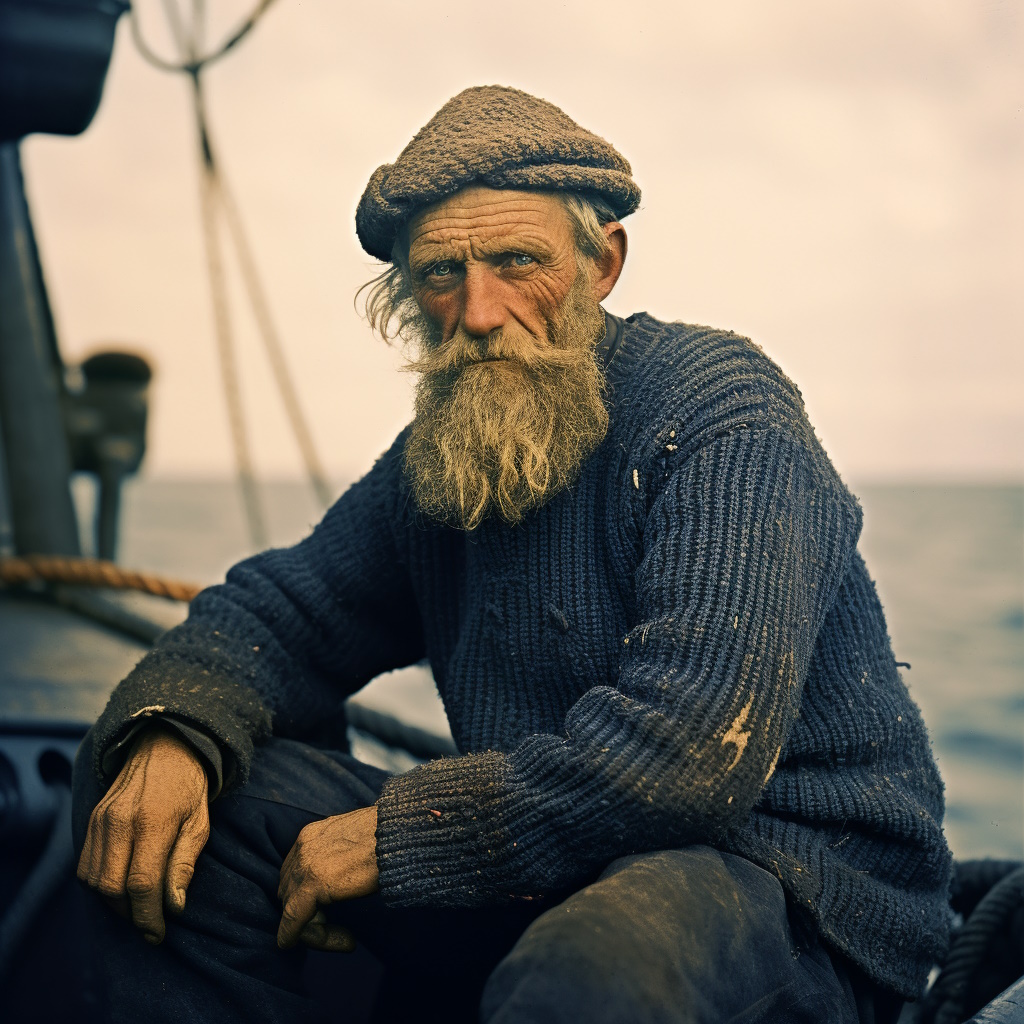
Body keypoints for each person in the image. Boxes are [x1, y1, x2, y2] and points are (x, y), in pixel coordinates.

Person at [73, 85, 951, 1024]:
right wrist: (172, 732)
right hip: (547, 863)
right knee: (161, 810)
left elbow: (693, 749)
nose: (479, 311)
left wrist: (406, 835)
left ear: (601, 263)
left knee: (591, 971)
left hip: (781, 886)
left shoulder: (717, 411)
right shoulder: (444, 457)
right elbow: (275, 621)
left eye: (516, 261)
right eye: (441, 275)